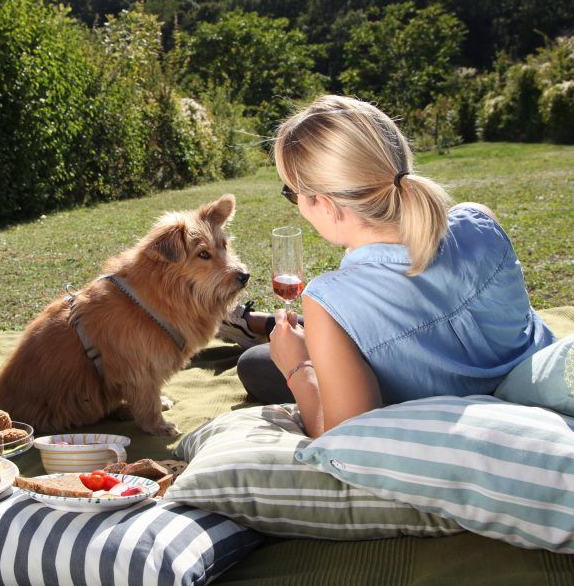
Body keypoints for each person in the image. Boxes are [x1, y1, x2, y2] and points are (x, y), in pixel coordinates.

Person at [218, 95, 554, 437]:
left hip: (456, 415)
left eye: (292, 193)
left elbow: (345, 439)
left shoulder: (330, 299)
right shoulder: (479, 219)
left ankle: (255, 329)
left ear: (325, 203)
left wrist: (297, 367)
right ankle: (254, 324)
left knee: (257, 365)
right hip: (527, 376)